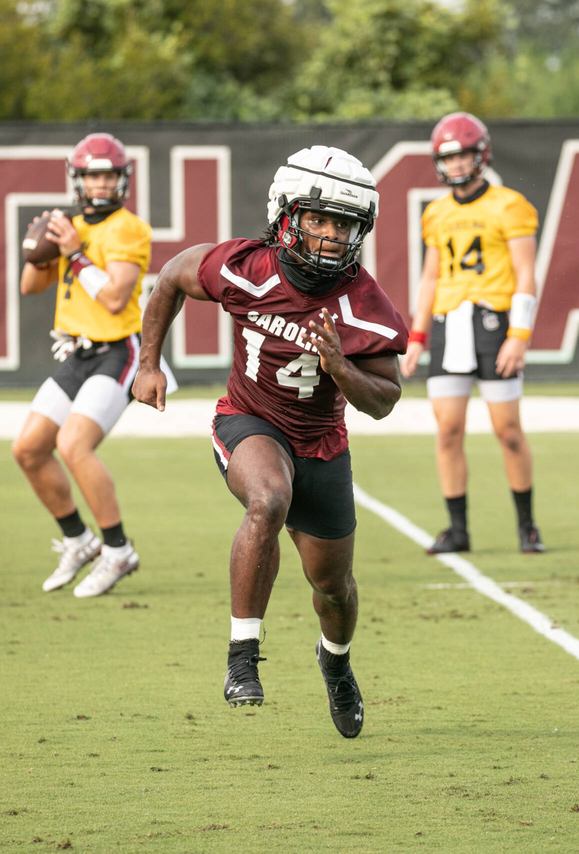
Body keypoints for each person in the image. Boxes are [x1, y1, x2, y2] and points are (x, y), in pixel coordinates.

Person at [132, 145, 407, 739]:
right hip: (249, 419)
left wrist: (340, 367)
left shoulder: (364, 305)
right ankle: (241, 656)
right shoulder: (246, 267)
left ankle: (335, 662)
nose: (333, 235)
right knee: (268, 498)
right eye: (319, 219)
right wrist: (147, 363)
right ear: (287, 216)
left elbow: (385, 400)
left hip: (323, 444)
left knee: (333, 588)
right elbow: (173, 275)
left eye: (345, 224)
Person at [12, 132, 164, 596]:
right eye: (92, 175)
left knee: (74, 444)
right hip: (77, 351)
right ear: (77, 179)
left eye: (108, 175)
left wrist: (75, 253)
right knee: (29, 449)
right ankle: (80, 541)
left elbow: (117, 299)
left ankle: (118, 550)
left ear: (122, 180)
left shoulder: (127, 228)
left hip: (120, 350)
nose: (100, 183)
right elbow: (29, 287)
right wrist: (39, 251)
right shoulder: (69, 223)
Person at [399, 112, 544, 555]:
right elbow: (430, 278)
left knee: (509, 431)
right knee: (448, 431)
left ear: (480, 155)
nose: (457, 164)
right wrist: (417, 336)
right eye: (449, 157)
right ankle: (457, 529)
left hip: (493, 323)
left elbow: (526, 273)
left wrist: (519, 334)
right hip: (448, 326)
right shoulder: (437, 213)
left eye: (463, 155)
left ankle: (527, 525)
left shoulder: (509, 204)